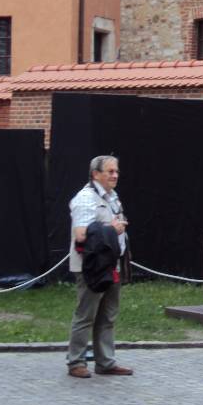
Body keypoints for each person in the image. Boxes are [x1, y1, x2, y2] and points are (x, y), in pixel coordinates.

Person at [66, 155, 133, 378]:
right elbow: (81, 234)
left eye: (116, 171)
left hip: (111, 265)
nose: (115, 175)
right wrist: (112, 230)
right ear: (95, 174)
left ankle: (105, 362)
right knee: (86, 315)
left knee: (108, 316)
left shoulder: (112, 196)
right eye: (110, 171)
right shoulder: (86, 198)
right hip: (92, 267)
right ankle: (76, 362)